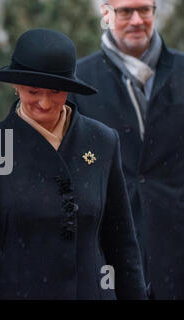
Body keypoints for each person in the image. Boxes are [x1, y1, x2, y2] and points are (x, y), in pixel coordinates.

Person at [0, 28, 147, 299]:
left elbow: (122, 243)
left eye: (56, 91)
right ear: (16, 85)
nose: (44, 102)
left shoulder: (102, 141)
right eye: (33, 91)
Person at [69, 0, 184, 299]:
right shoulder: (80, 81)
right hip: (111, 245)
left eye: (144, 10)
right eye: (124, 11)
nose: (136, 20)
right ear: (106, 15)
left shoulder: (183, 72)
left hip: (176, 240)